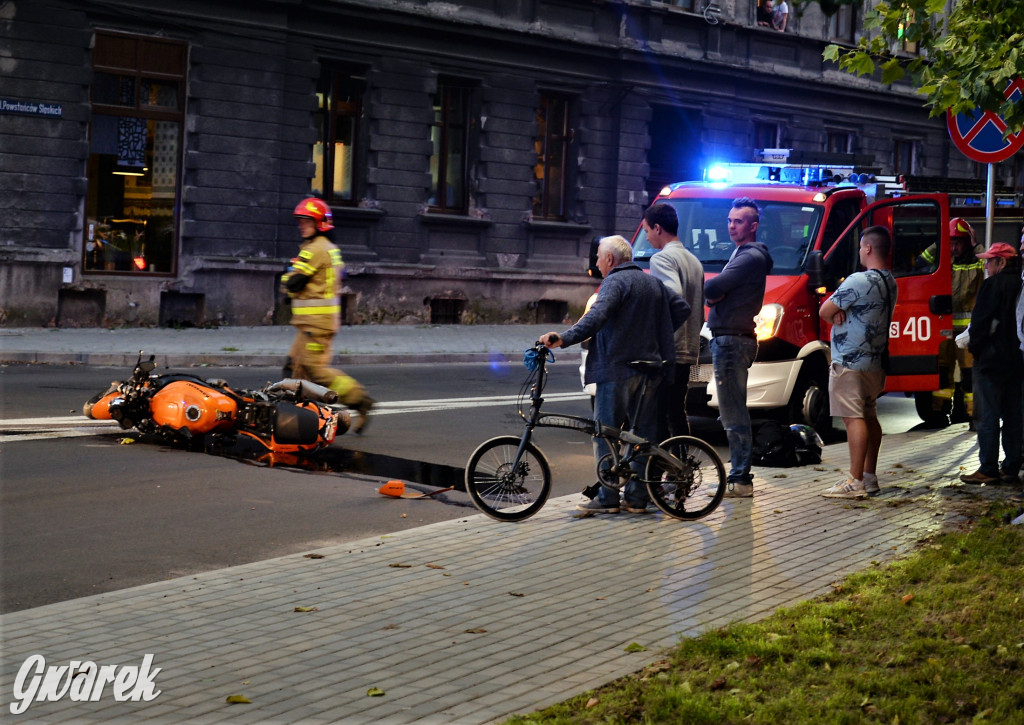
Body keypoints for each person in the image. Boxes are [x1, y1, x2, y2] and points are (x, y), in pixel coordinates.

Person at [539, 235, 690, 514]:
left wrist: (563, 338)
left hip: (617, 368)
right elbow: (682, 308)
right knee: (642, 435)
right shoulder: (652, 282)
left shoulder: (615, 282)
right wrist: (656, 332)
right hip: (650, 370)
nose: (596, 262)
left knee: (605, 433)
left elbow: (596, 317)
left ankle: (608, 499)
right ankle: (636, 500)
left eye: (598, 256)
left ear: (610, 259)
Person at [281, 197, 375, 432]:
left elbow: (292, 282)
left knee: (316, 372)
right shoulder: (328, 248)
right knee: (293, 369)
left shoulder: (315, 249)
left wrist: (287, 277)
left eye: (306, 221)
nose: (301, 225)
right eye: (300, 221)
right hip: (313, 324)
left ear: (320, 223)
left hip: (316, 325)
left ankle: (359, 399)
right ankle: (292, 420)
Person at [818, 226, 897, 499]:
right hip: (875, 363)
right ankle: (870, 477)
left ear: (868, 248)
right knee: (870, 415)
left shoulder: (858, 280)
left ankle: (854, 481)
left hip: (849, 361)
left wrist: (836, 313)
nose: (860, 251)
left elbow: (825, 310)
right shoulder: (889, 281)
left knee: (853, 419)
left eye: (861, 246)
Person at [703, 197, 774, 498]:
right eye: (730, 220)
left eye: (739, 221)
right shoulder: (741, 254)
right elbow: (715, 293)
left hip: (732, 340)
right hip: (728, 339)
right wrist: (715, 296)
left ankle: (740, 479)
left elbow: (711, 288)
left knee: (733, 414)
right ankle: (738, 474)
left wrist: (715, 295)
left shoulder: (749, 256)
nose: (732, 226)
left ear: (753, 225)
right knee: (732, 411)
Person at [960, 242, 1023, 485]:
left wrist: (976, 348)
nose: (986, 266)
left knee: (987, 415)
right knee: (1013, 414)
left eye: (990, 261)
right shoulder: (1021, 285)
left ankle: (988, 467)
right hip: (1016, 361)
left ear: (1002, 262)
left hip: (990, 361)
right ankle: (1011, 466)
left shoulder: (992, 285)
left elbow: (980, 323)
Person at [644, 203, 705, 439]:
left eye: (648, 231)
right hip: (688, 347)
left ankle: (660, 469)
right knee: (677, 411)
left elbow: (674, 297)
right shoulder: (694, 261)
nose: (647, 237)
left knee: (659, 415)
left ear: (658, 228)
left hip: (668, 350)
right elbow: (698, 306)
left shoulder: (661, 260)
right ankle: (682, 467)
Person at [917, 218, 984, 426]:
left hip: (967, 330)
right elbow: (920, 262)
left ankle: (973, 414)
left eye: (958, 243)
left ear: (967, 242)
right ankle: (939, 413)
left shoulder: (977, 261)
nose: (954, 247)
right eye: (951, 243)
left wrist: (975, 245)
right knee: (943, 372)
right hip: (944, 327)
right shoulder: (943, 261)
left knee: (969, 373)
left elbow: (988, 267)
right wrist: (941, 240)